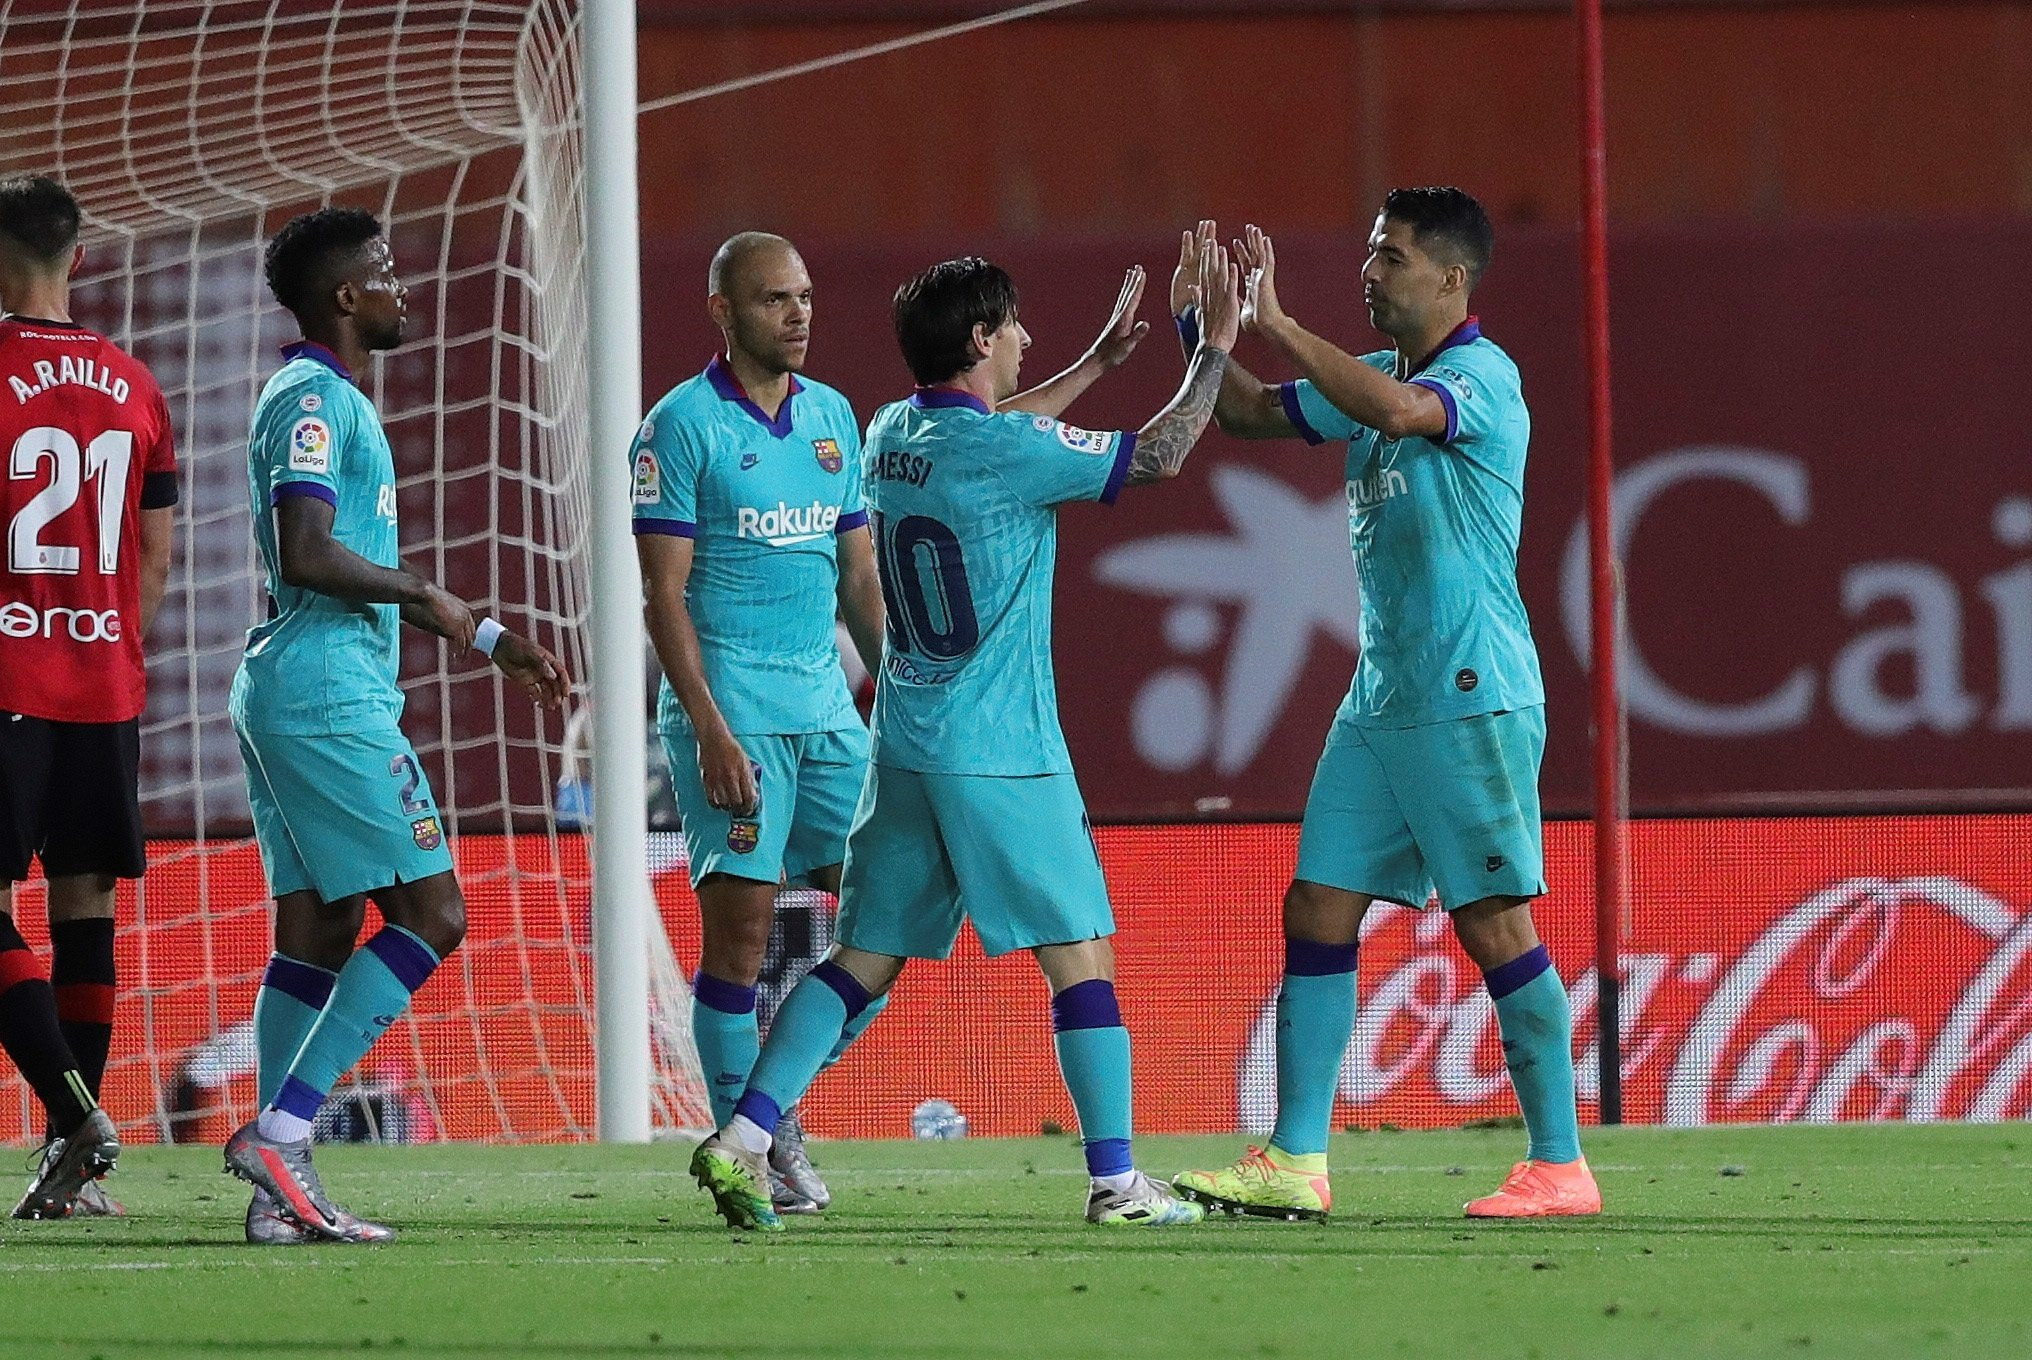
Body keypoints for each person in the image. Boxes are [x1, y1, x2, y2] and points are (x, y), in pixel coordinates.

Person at [691, 244, 1240, 1232]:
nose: (1028, 340)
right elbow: (1156, 455)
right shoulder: (1007, 452)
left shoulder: (888, 431)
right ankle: (1116, 1181)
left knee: (860, 958)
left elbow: (991, 429)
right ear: (984, 338)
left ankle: (739, 1140)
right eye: (1017, 326)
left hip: (902, 743)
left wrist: (1097, 364)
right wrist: (1212, 352)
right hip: (1001, 749)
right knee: (1083, 954)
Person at [1170, 191, 1600, 1220]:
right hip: (1382, 697)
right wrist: (1203, 333)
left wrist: (1277, 324)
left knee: (1493, 925)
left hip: (1467, 693)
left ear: (1451, 278)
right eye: (1369, 253)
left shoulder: (1478, 378)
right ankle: (1295, 1158)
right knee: (1317, 907)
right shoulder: (1379, 380)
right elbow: (1245, 413)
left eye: (1392, 257)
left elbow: (1402, 414)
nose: (1371, 273)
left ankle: (1560, 1163)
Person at [221, 208, 569, 1244]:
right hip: (326, 692)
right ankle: (281, 1131)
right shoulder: (314, 400)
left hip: (302, 683)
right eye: (381, 272)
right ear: (342, 298)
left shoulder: (324, 399)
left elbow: (342, 557)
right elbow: (309, 550)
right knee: (434, 915)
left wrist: (489, 631)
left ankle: (276, 1189)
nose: (398, 286)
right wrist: (432, 595)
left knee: (323, 928)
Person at [632, 232, 889, 1213]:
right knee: (737, 949)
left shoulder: (832, 418)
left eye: (806, 296)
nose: (799, 313)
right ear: (723, 310)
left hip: (827, 716)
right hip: (733, 715)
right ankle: (755, 1147)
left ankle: (767, 1110)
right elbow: (664, 595)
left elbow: (858, 573)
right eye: (776, 298)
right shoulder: (679, 428)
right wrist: (706, 729)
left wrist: (900, 692)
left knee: (887, 915)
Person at [0, 174, 176, 1219]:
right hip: (103, 678)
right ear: (78, 257)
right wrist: (100, 641)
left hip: (8, 675)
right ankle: (77, 1167)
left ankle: (72, 1120)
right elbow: (152, 557)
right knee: (85, 907)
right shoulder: (133, 381)